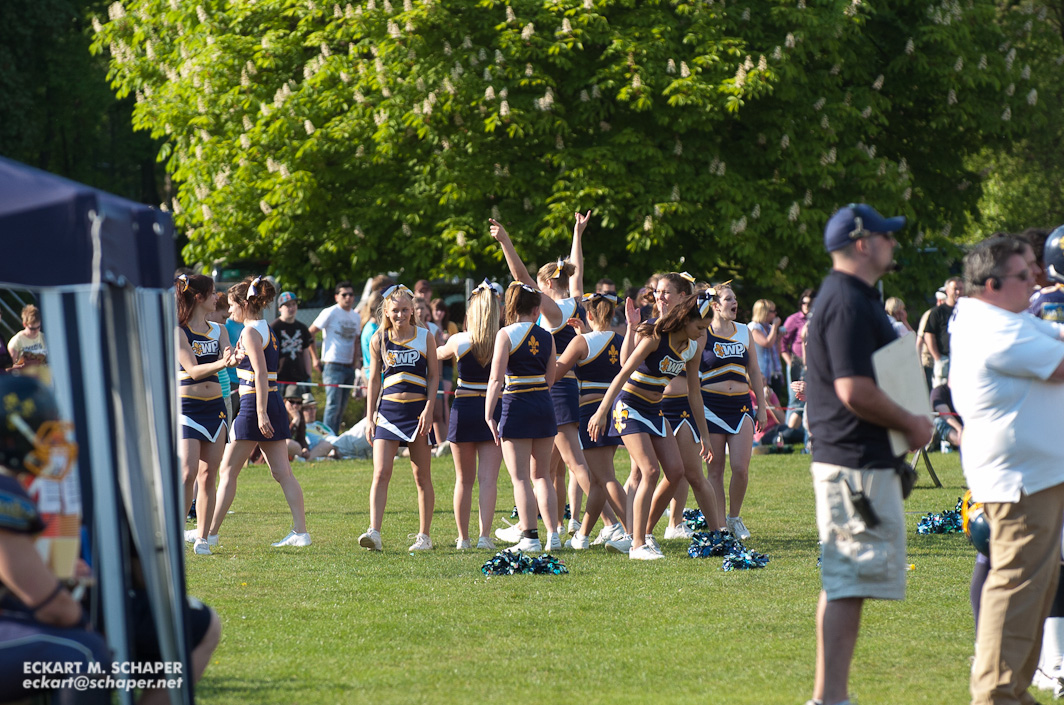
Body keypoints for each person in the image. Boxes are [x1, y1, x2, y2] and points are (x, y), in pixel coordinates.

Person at [804, 203, 933, 705]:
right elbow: (853, 389)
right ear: (863, 243)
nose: (893, 243)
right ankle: (830, 698)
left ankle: (831, 696)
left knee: (848, 580)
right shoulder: (847, 301)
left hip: (858, 459)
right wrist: (911, 422)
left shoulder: (854, 297)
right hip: (853, 464)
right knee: (848, 580)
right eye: (887, 236)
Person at [949, 236, 1064, 705]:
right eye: (1025, 272)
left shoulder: (1005, 319)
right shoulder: (993, 327)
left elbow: (1057, 337)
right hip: (1020, 483)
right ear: (992, 284)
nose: (1037, 278)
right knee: (1016, 588)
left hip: (1034, 478)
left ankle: (1013, 689)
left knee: (1034, 589)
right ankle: (996, 694)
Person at [0, 375, 112, 704]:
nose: (55, 442)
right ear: (13, 436)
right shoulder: (6, 492)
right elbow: (51, 607)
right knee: (86, 653)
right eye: (44, 432)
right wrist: (83, 622)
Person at [490, 215, 597, 549]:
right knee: (548, 471)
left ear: (547, 284)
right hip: (563, 385)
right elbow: (577, 271)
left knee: (563, 465)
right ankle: (550, 527)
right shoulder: (576, 300)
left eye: (540, 285)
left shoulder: (554, 310)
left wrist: (506, 242)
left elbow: (520, 278)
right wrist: (577, 234)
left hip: (550, 387)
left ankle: (611, 522)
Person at [587, 292, 716, 560]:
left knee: (676, 472)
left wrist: (704, 436)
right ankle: (637, 546)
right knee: (649, 470)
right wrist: (601, 411)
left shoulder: (692, 348)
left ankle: (642, 535)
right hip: (629, 406)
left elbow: (695, 394)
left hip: (655, 410)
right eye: (700, 327)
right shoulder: (656, 336)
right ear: (686, 319)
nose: (702, 333)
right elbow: (623, 373)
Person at [210, 276, 311, 547]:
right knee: (283, 473)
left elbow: (261, 373)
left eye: (232, 305)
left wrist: (261, 412)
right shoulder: (266, 328)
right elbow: (254, 366)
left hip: (255, 405)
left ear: (244, 304)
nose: (230, 310)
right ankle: (301, 532)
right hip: (269, 402)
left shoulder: (250, 331)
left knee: (228, 471)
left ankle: (209, 534)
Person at [358, 284, 439, 552]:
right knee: (381, 472)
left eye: (405, 310)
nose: (400, 315)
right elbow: (373, 380)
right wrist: (369, 417)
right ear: (386, 311)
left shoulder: (425, 337)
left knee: (421, 476)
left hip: (417, 414)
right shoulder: (379, 339)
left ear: (412, 310)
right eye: (395, 310)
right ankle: (374, 532)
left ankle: (424, 536)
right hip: (388, 413)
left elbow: (434, 376)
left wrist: (429, 409)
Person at [484, 280, 559, 553]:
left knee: (520, 478)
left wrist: (488, 414)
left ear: (511, 307)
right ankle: (554, 535)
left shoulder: (505, 334)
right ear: (536, 309)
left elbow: (495, 379)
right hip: (543, 404)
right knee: (542, 476)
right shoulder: (547, 336)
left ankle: (530, 537)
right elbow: (550, 378)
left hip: (516, 403)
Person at [553, 291, 631, 548]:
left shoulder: (581, 342)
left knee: (606, 477)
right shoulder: (620, 340)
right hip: (615, 409)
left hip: (591, 411)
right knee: (598, 478)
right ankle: (582, 536)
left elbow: (556, 373)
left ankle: (635, 533)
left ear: (588, 314)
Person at [435, 280, 503, 549]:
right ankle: (484, 537)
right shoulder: (504, 339)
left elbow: (437, 353)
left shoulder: (459, 340)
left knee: (463, 479)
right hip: (493, 409)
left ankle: (463, 538)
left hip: (464, 408)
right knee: (488, 480)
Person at [174, 273, 236, 556]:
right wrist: (223, 363)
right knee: (187, 473)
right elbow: (193, 370)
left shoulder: (220, 330)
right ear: (198, 297)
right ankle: (177, 533)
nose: (216, 298)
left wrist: (233, 358)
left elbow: (227, 355)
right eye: (212, 293)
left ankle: (202, 538)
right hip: (187, 408)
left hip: (215, 408)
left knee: (209, 474)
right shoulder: (179, 331)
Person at [702, 282, 767, 540]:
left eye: (735, 298)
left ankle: (734, 518)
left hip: (741, 406)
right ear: (715, 305)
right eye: (728, 299)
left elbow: (755, 372)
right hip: (711, 407)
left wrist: (762, 407)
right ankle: (719, 525)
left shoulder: (743, 331)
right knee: (715, 470)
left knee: (740, 467)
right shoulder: (702, 332)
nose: (734, 302)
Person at [310, 281, 362, 434]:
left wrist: (355, 361)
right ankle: (326, 438)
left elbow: (356, 341)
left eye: (351, 294)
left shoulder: (356, 316)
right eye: (344, 294)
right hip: (332, 365)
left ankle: (334, 438)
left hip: (349, 366)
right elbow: (310, 333)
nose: (348, 297)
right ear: (336, 297)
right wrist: (315, 358)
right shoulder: (330, 312)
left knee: (341, 407)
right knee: (333, 405)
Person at [272, 291, 317, 394]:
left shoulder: (302, 328)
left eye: (294, 304)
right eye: (287, 305)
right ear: (280, 308)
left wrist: (308, 375)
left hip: (300, 377)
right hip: (280, 377)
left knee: (302, 403)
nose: (291, 308)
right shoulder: (274, 328)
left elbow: (306, 353)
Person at [781, 288, 814, 426]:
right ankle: (788, 432)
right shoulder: (793, 319)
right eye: (804, 303)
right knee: (795, 399)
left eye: (810, 303)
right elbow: (782, 342)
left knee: (810, 398)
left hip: (813, 364)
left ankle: (804, 433)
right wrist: (790, 362)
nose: (806, 306)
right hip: (797, 362)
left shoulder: (818, 318)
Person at [923, 276, 962, 387]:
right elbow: (928, 335)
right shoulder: (937, 312)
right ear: (947, 291)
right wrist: (938, 357)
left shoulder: (967, 311)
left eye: (961, 288)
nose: (958, 292)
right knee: (941, 392)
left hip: (962, 360)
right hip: (945, 359)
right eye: (955, 289)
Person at [749, 298, 786, 404]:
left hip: (774, 373)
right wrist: (775, 326)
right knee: (762, 403)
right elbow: (766, 343)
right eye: (772, 311)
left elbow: (776, 351)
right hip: (761, 374)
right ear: (764, 312)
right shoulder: (753, 327)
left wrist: (779, 338)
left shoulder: (769, 328)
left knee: (775, 404)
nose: (775, 314)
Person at [8, 303, 48, 375]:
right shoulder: (17, 341)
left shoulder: (44, 337)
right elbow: (7, 369)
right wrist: (24, 366)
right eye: (32, 329)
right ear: (24, 324)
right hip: (25, 379)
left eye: (38, 327)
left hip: (43, 378)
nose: (36, 331)